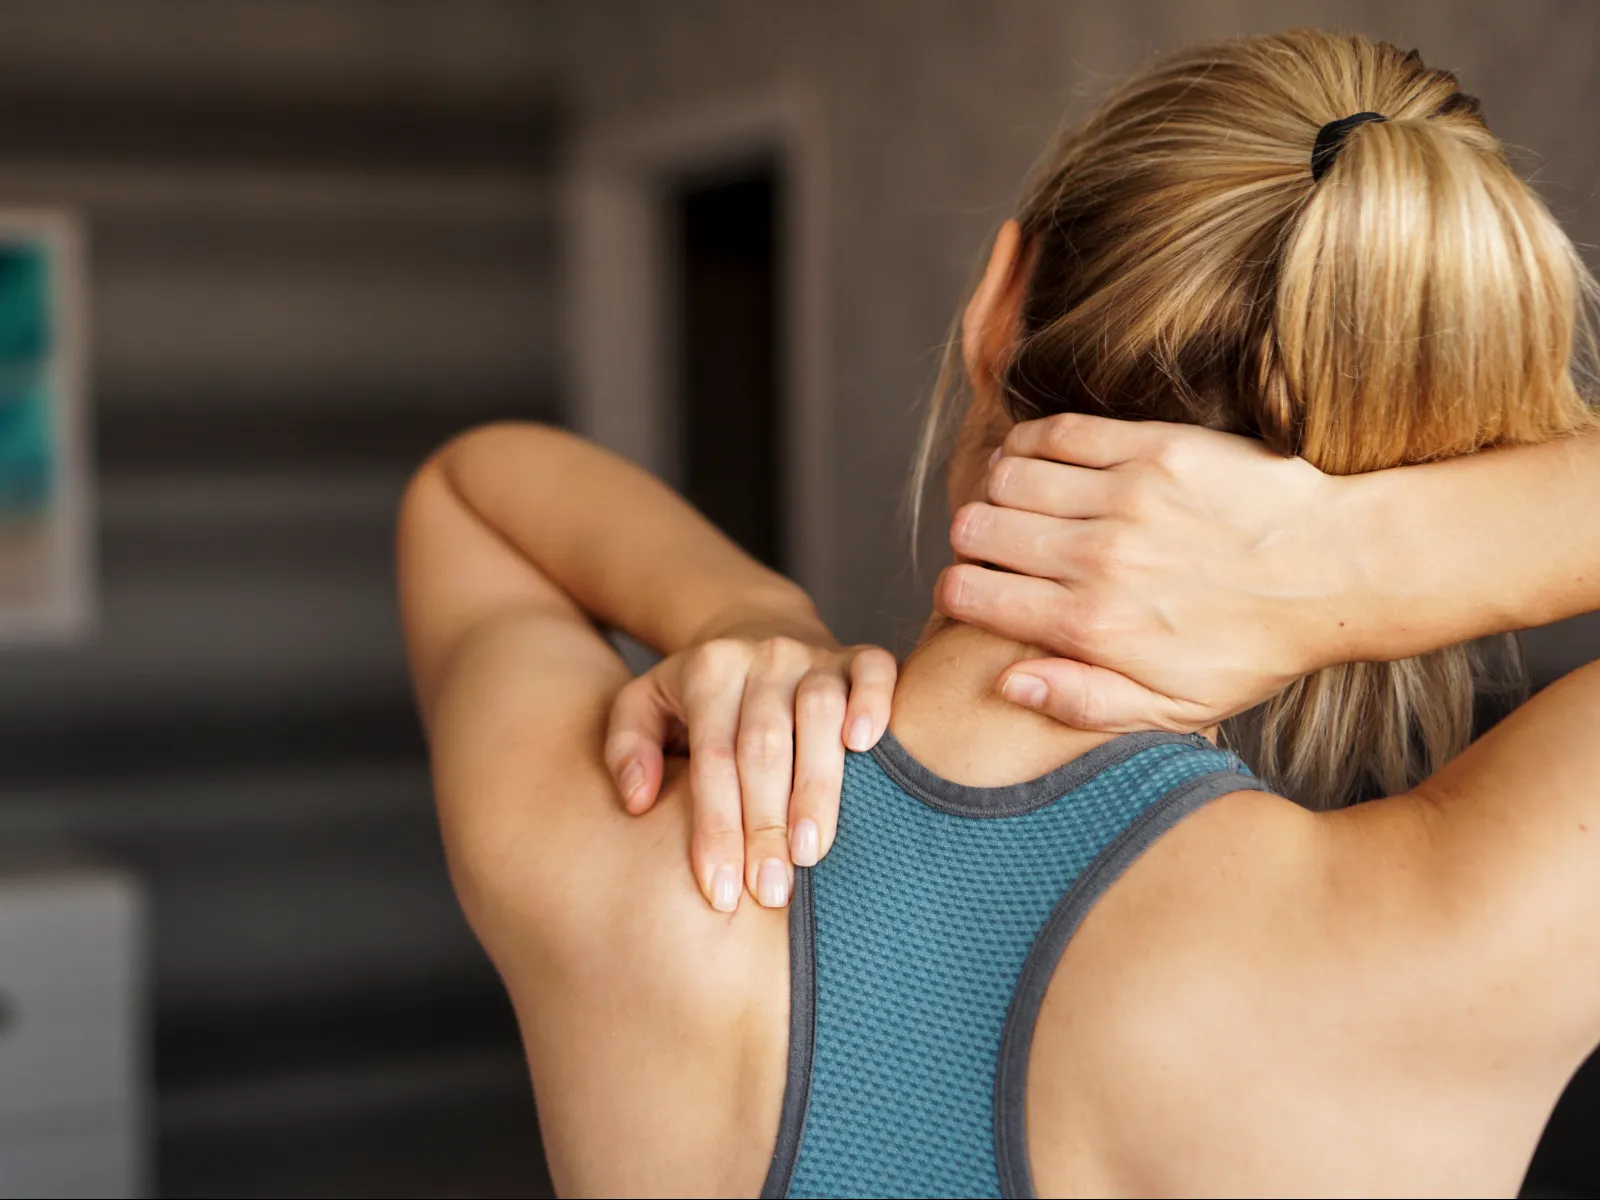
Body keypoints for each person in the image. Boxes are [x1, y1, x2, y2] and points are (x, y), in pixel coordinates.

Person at [398, 31, 1600, 1197]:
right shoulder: (1438, 940)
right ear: (1417, 444)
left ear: (996, 302)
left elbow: (472, 490)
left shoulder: (638, 843)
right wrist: (1368, 558)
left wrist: (736, 609)